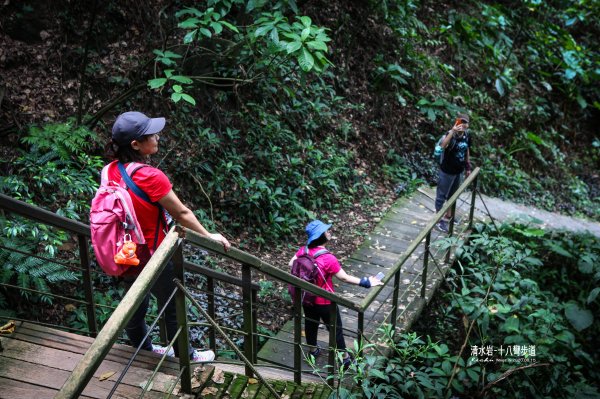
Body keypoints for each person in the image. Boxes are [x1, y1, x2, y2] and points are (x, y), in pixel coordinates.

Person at [104, 111, 231, 362]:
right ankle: (187, 356)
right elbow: (182, 212)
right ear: (136, 145)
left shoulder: (110, 170)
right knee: (172, 305)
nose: (158, 137)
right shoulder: (150, 176)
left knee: (135, 304)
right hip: (154, 253)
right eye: (152, 134)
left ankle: (143, 349)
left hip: (126, 252)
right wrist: (208, 236)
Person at [288, 220, 382, 369]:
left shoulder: (303, 251)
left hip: (307, 298)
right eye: (327, 231)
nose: (329, 232)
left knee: (311, 323)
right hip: (325, 301)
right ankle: (344, 358)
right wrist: (367, 282)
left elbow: (291, 263)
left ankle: (313, 350)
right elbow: (344, 277)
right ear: (321, 236)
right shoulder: (327, 258)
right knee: (335, 328)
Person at [435, 113, 472, 233]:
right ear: (457, 122)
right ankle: (438, 220)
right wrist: (452, 131)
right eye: (460, 122)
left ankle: (448, 216)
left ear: (467, 125)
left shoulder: (467, 135)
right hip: (447, 170)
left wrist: (467, 167)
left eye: (465, 122)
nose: (463, 124)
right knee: (441, 196)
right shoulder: (451, 134)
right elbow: (443, 146)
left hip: (458, 171)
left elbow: (467, 150)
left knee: (453, 195)